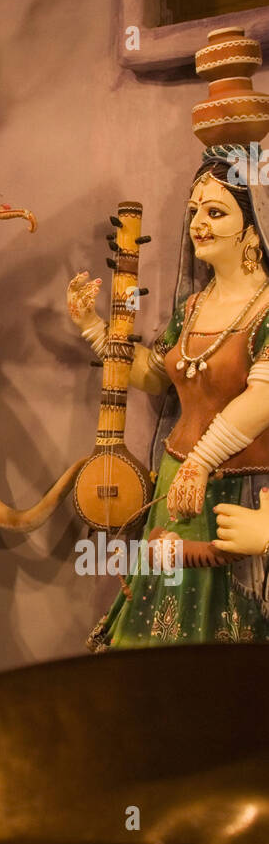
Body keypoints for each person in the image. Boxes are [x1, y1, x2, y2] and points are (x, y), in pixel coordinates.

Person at [68, 144, 269, 647]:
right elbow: (157, 376)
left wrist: (202, 463)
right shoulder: (194, 307)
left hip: (239, 492)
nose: (199, 223)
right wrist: (93, 327)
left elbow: (261, 401)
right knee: (159, 637)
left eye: (216, 211)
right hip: (178, 485)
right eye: (195, 211)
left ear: (253, 228)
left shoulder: (267, 309)